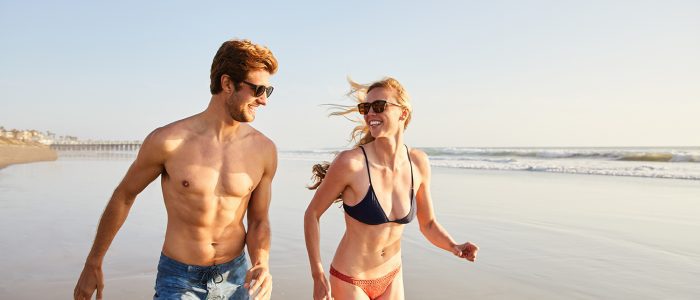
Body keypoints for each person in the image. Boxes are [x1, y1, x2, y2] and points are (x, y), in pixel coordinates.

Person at [74, 39, 278, 300]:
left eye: (268, 92)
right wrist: (94, 261)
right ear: (227, 83)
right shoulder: (169, 141)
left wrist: (261, 262)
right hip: (180, 280)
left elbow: (259, 219)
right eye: (258, 89)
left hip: (236, 278)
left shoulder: (264, 150)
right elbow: (124, 195)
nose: (263, 101)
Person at [304, 77, 479, 300]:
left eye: (379, 106)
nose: (370, 114)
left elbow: (428, 223)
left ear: (403, 113)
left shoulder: (419, 162)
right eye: (365, 108)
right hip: (350, 278)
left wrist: (454, 245)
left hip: (392, 276)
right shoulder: (351, 163)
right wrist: (317, 274)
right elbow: (312, 214)